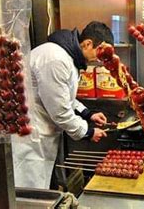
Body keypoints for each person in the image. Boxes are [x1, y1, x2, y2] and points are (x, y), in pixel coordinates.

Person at [12, 21, 113, 189]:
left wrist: (88, 113)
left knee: (41, 186)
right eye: (100, 51)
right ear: (88, 43)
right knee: (30, 189)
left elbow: (64, 96)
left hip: (43, 131)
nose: (101, 59)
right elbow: (60, 110)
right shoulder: (55, 59)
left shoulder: (67, 57)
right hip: (31, 136)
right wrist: (87, 132)